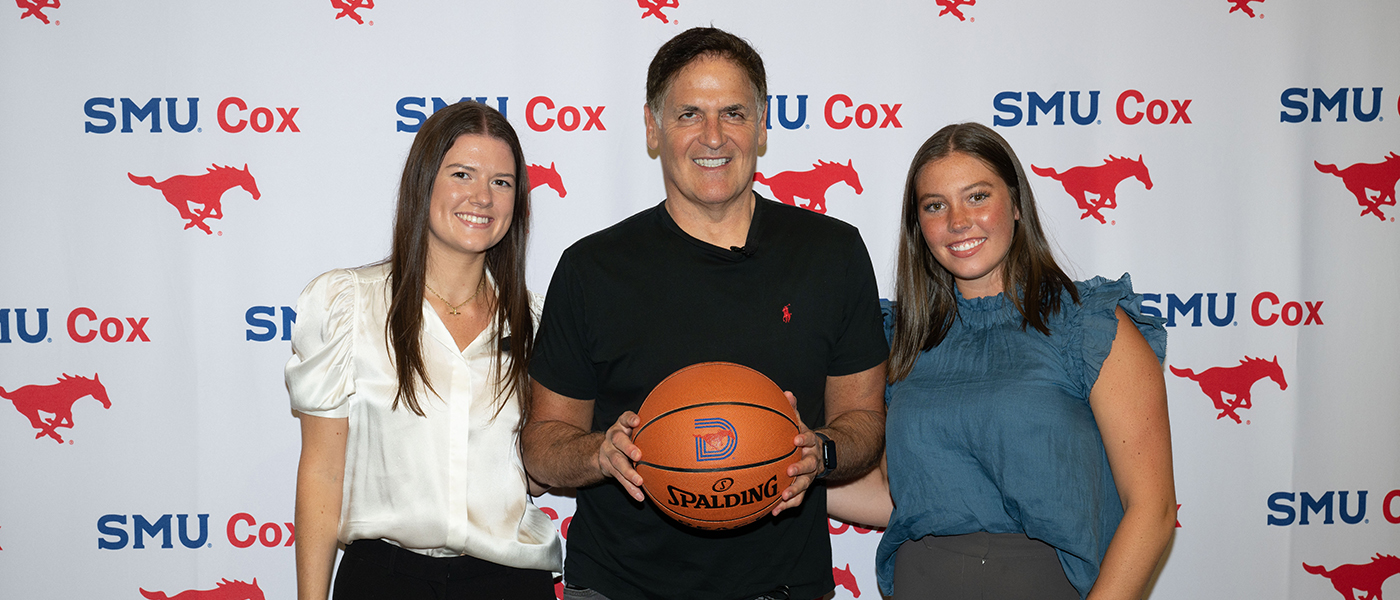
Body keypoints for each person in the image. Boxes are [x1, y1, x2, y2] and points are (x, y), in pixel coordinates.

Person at [521, 27, 889, 600]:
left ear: (763, 124)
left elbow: (863, 421)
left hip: (784, 586)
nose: (713, 136)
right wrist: (599, 452)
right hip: (621, 586)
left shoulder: (832, 253)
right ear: (652, 126)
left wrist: (823, 450)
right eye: (689, 113)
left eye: (734, 113)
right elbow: (542, 444)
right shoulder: (592, 268)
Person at [828, 122, 1175, 600]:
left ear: (1015, 204)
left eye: (976, 197)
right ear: (919, 226)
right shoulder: (899, 339)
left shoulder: (1090, 327)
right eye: (935, 206)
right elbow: (904, 497)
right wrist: (778, 473)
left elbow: (1151, 511)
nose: (957, 221)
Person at [288, 101, 561, 600]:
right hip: (383, 580)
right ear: (423, 184)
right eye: (463, 174)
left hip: (511, 582)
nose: (483, 197)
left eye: (502, 182)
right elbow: (322, 472)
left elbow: (539, 471)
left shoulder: (538, 322)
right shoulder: (347, 306)